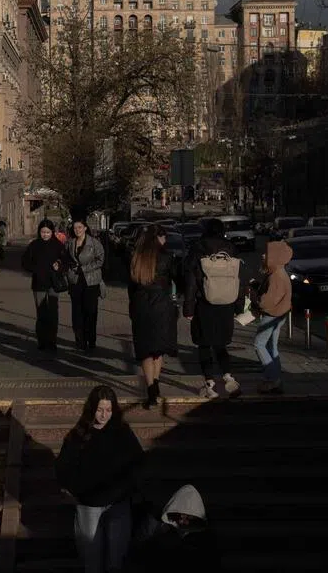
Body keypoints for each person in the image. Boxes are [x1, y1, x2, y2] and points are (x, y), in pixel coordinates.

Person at [56, 385, 144, 573]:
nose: (104, 415)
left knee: (116, 559)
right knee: (92, 559)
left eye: (108, 410)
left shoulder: (122, 432)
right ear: (92, 409)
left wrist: (129, 487)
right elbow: (64, 465)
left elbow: (137, 461)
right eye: (100, 409)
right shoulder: (79, 434)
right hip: (89, 504)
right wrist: (73, 489)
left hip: (118, 502)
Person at [182, 218, 242, 399]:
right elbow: (238, 279)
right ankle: (228, 376)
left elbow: (191, 281)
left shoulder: (198, 247)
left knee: (203, 344)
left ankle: (210, 384)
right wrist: (238, 306)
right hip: (226, 303)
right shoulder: (230, 248)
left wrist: (188, 308)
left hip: (204, 304)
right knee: (221, 344)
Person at [128, 225, 178, 409]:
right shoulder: (167, 256)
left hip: (141, 304)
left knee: (145, 350)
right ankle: (156, 382)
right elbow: (176, 277)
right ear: (159, 238)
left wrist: (132, 307)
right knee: (158, 349)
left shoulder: (136, 257)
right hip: (162, 304)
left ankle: (150, 389)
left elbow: (130, 287)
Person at [125, 484, 220, 571]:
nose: (183, 521)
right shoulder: (157, 524)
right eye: (181, 516)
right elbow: (139, 548)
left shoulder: (204, 537)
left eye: (188, 517)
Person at [21, 219, 69, 351]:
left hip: (54, 283)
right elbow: (25, 262)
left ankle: (52, 341)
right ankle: (42, 341)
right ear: (39, 232)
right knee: (41, 313)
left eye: (48, 232)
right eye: (43, 232)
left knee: (53, 312)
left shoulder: (58, 245)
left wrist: (59, 265)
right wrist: (35, 269)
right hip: (39, 284)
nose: (45, 235)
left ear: (52, 232)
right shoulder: (34, 245)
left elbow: (66, 261)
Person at [252, 240, 293, 394]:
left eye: (267, 254)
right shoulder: (279, 272)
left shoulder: (276, 275)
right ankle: (276, 378)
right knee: (271, 346)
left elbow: (268, 301)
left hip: (272, 314)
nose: (263, 256)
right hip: (279, 314)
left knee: (259, 344)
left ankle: (272, 378)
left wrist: (257, 302)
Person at [67, 217, 106, 352]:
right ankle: (80, 340)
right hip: (75, 282)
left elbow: (100, 260)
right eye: (75, 228)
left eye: (79, 227)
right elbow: (66, 258)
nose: (77, 230)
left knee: (90, 312)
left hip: (91, 282)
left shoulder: (94, 243)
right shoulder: (70, 243)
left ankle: (91, 340)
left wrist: (85, 268)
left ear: (85, 228)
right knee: (77, 313)